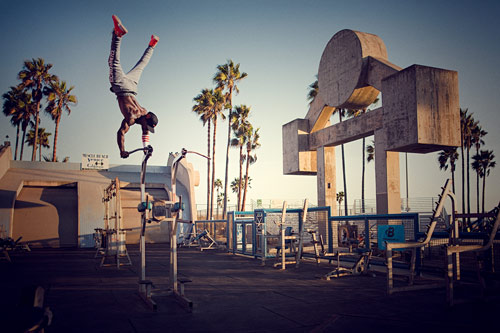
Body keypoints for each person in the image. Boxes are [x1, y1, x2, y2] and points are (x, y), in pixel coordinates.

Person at [108, 15, 159, 158]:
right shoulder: (131, 118)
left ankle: (152, 45)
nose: (144, 128)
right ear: (146, 117)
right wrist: (121, 150)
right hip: (120, 87)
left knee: (141, 65)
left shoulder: (143, 112)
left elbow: (145, 131)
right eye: (146, 125)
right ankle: (118, 35)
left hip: (133, 87)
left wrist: (145, 149)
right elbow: (121, 133)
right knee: (113, 61)